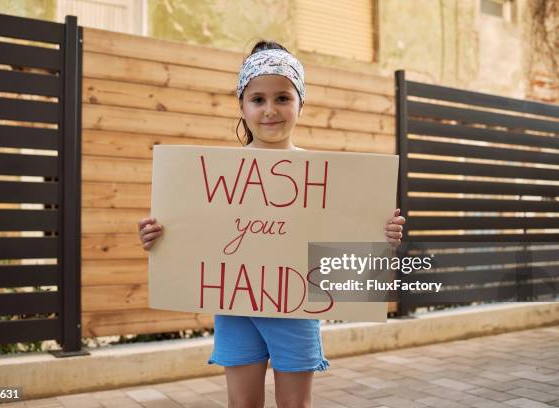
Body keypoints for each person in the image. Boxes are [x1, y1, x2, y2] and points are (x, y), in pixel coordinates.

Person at [138, 40, 406, 408]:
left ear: (300, 103)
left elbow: (348, 240)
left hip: (295, 311)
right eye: (258, 99)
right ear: (242, 106)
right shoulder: (213, 175)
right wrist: (159, 238)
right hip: (234, 308)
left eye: (283, 98)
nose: (270, 110)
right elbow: (194, 234)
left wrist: (383, 236)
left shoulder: (326, 177)